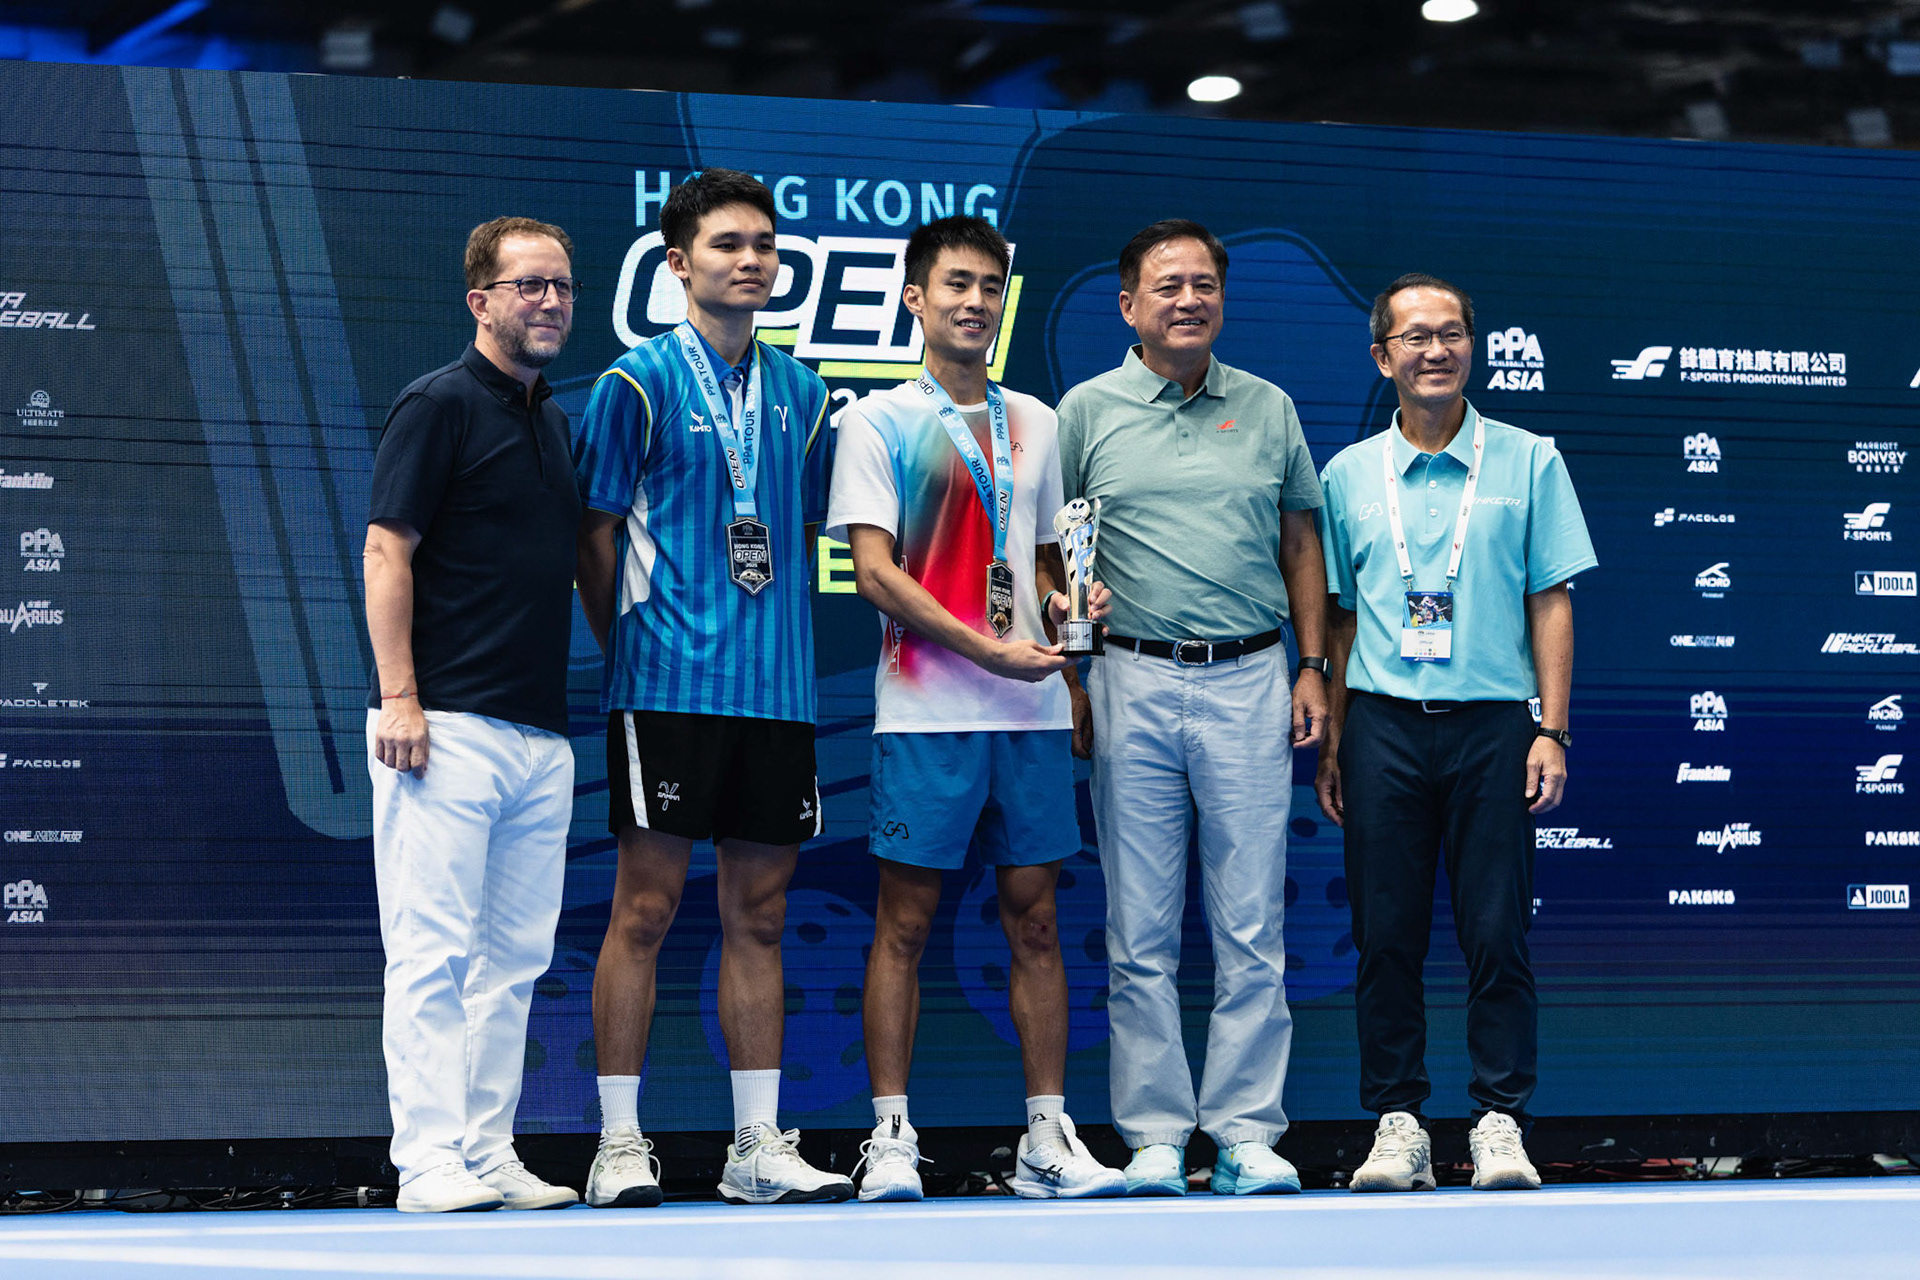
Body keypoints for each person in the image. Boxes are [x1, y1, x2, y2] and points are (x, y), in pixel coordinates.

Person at [826, 215, 1126, 1203]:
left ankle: (1047, 1135)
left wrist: (1071, 620)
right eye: (956, 284)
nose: (975, 302)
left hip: (1029, 716)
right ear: (916, 298)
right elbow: (875, 573)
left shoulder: (1037, 419)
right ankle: (890, 1137)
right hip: (926, 713)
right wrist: (985, 647)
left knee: (1036, 922)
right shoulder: (876, 421)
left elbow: (1042, 562)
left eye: (991, 286)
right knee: (904, 925)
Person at [572, 169, 849, 1207]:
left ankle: (755, 1146)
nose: (751, 261)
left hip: (776, 694)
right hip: (666, 686)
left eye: (764, 245)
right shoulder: (634, 383)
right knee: (643, 909)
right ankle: (617, 1143)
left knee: (761, 917)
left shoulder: (807, 395)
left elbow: (799, 533)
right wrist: (630, 645)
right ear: (679, 263)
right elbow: (593, 534)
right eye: (729, 244)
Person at [1055, 218, 1329, 1197]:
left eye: (1204, 283)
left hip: (1251, 676)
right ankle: (1157, 1135)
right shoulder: (1086, 410)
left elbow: (1302, 544)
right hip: (1128, 677)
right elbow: (1059, 548)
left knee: (1252, 923)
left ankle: (1247, 1132)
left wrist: (1312, 666)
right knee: (1139, 930)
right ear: (1128, 304)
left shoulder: (1267, 406)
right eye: (1167, 285)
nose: (1188, 299)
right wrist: (1073, 672)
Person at [1315, 273, 1596, 1192]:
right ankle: (1397, 1123)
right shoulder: (1347, 475)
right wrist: (1336, 742)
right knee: (1384, 935)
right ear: (1381, 356)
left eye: (1452, 334)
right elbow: (1340, 619)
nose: (1435, 351)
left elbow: (1551, 602)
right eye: (1415, 337)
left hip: (1494, 728)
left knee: (1497, 932)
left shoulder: (1529, 460)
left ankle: (1500, 1121)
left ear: (1472, 347)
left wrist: (1551, 730)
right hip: (1382, 726)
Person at [363, 216, 583, 1213]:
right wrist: (401, 697)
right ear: (480, 301)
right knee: (432, 953)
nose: (550, 301)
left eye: (562, 285)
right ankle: (426, 1162)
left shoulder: (556, 423)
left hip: (540, 734)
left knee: (514, 961)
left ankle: (489, 1151)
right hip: (442, 726)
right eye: (529, 284)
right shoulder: (437, 403)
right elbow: (385, 550)